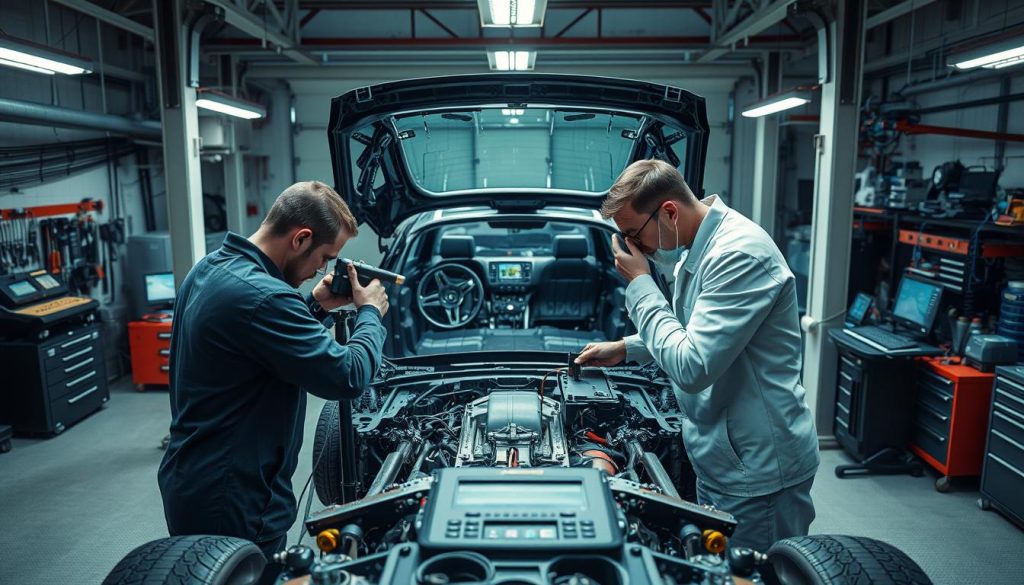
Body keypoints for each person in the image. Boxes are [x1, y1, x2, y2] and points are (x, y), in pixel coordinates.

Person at [575, 160, 819, 552]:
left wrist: (640, 284)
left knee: (754, 574)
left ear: (668, 211)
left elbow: (692, 366)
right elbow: (696, 332)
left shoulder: (739, 255)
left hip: (757, 471)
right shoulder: (697, 245)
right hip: (723, 457)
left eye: (634, 235)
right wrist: (628, 348)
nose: (635, 249)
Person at [157, 181, 390, 567]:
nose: (322, 269)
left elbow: (258, 348)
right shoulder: (265, 297)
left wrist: (313, 308)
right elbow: (347, 377)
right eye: (325, 256)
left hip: (197, 478)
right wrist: (370, 314)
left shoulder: (211, 268)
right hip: (234, 498)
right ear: (300, 238)